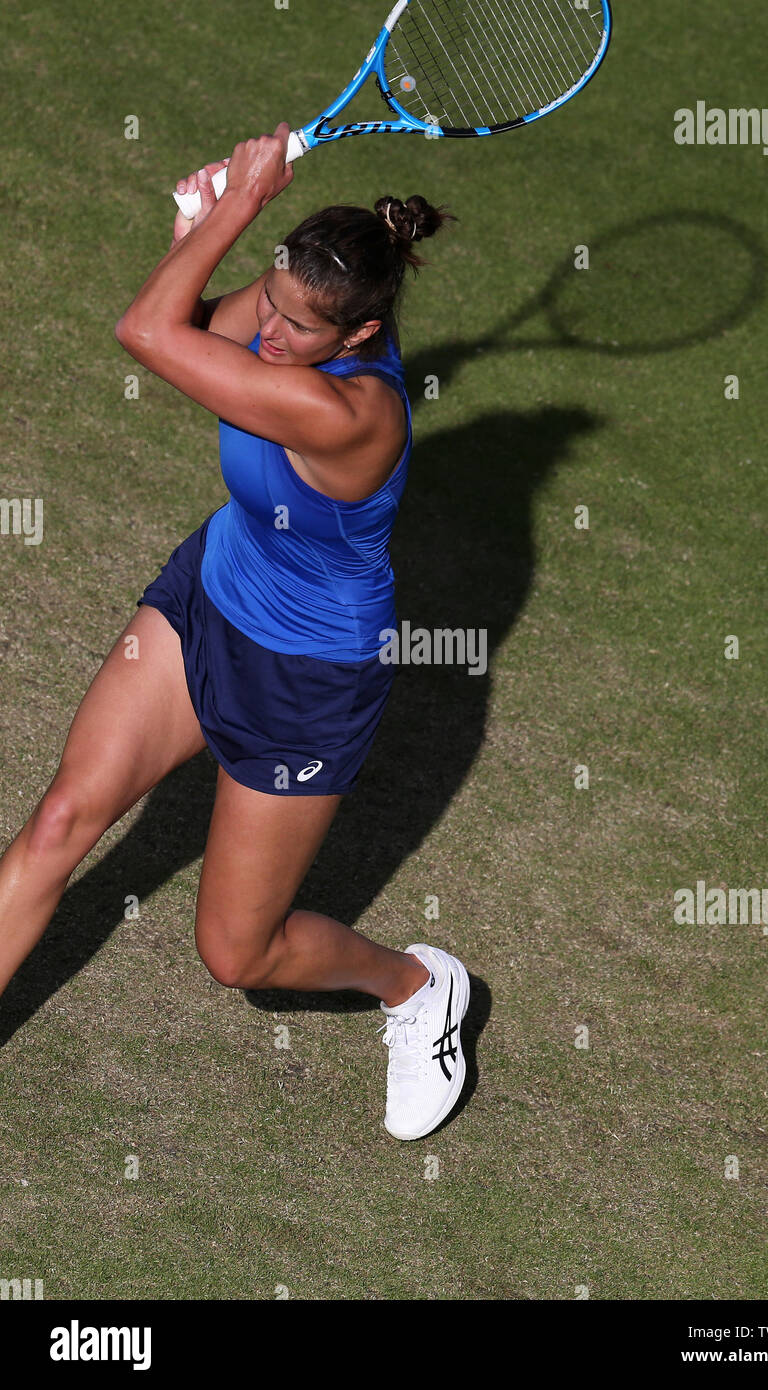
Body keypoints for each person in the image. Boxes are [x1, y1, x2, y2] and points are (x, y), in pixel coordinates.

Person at [0, 122, 469, 1142]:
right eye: (275, 301)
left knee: (238, 955)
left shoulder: (349, 417)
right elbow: (193, 323)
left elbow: (149, 332)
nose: (272, 330)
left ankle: (416, 986)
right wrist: (198, 229)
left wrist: (238, 205)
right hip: (207, 598)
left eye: (299, 326)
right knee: (63, 817)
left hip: (306, 681)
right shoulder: (296, 303)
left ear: (360, 334)